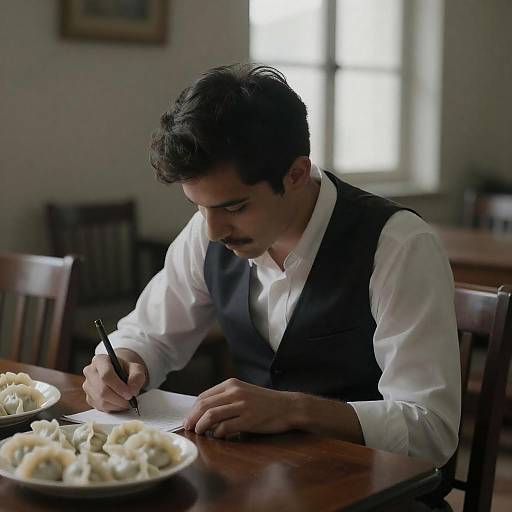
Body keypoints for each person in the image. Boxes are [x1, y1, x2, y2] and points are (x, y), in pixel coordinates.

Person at [83, 63, 461, 469]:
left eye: (235, 206)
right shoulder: (208, 229)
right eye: (198, 206)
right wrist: (124, 361)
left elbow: (431, 428)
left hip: (371, 487)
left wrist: (295, 410)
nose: (212, 231)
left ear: (297, 173)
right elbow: (150, 336)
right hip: (257, 480)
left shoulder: (397, 245)